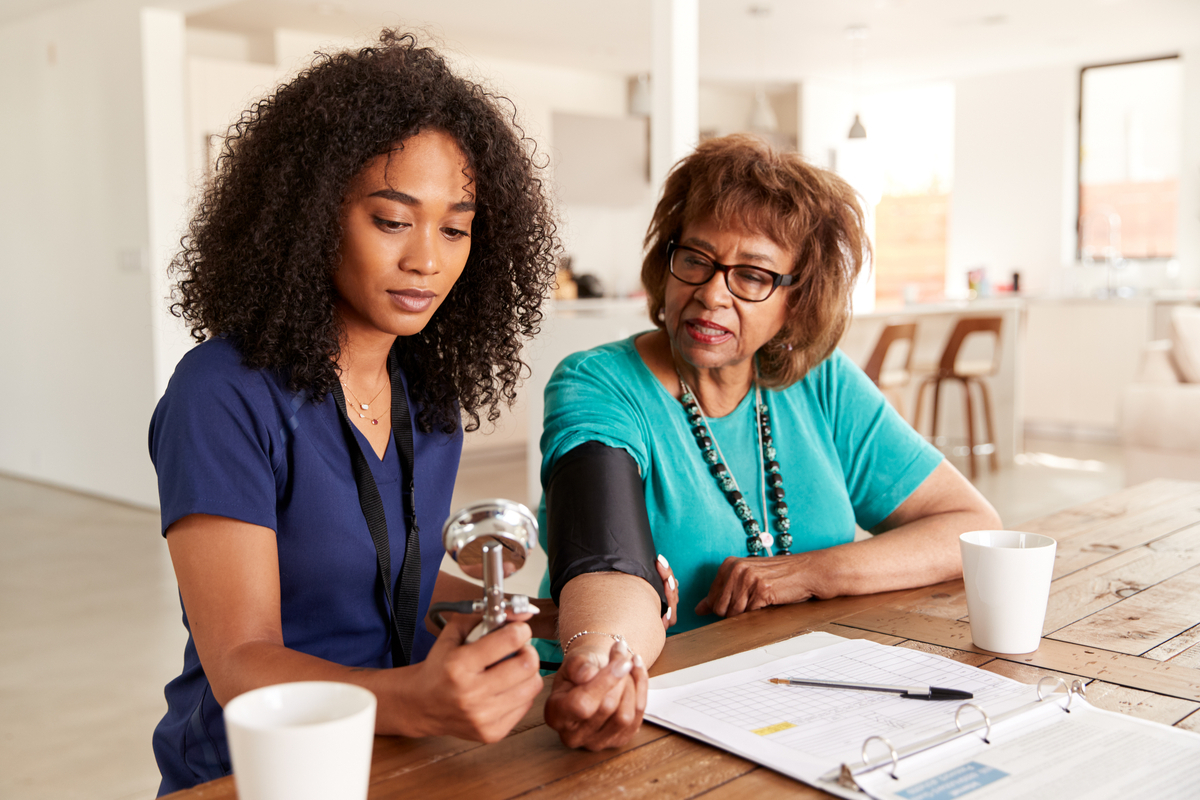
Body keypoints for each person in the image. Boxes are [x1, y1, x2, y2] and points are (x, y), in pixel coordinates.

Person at [149, 31, 559, 795]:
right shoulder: (222, 395)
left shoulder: (427, 398)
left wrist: (546, 613)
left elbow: (388, 583)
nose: (427, 261)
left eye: (455, 227)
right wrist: (420, 700)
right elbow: (241, 663)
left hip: (398, 760)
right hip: (254, 773)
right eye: (392, 220)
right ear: (310, 218)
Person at [538, 134, 1001, 750]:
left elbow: (969, 525)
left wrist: (810, 572)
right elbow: (606, 558)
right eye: (696, 259)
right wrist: (604, 663)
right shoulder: (597, 383)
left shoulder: (823, 383)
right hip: (652, 710)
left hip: (802, 700)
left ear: (798, 300)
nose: (711, 292)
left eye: (752, 275)